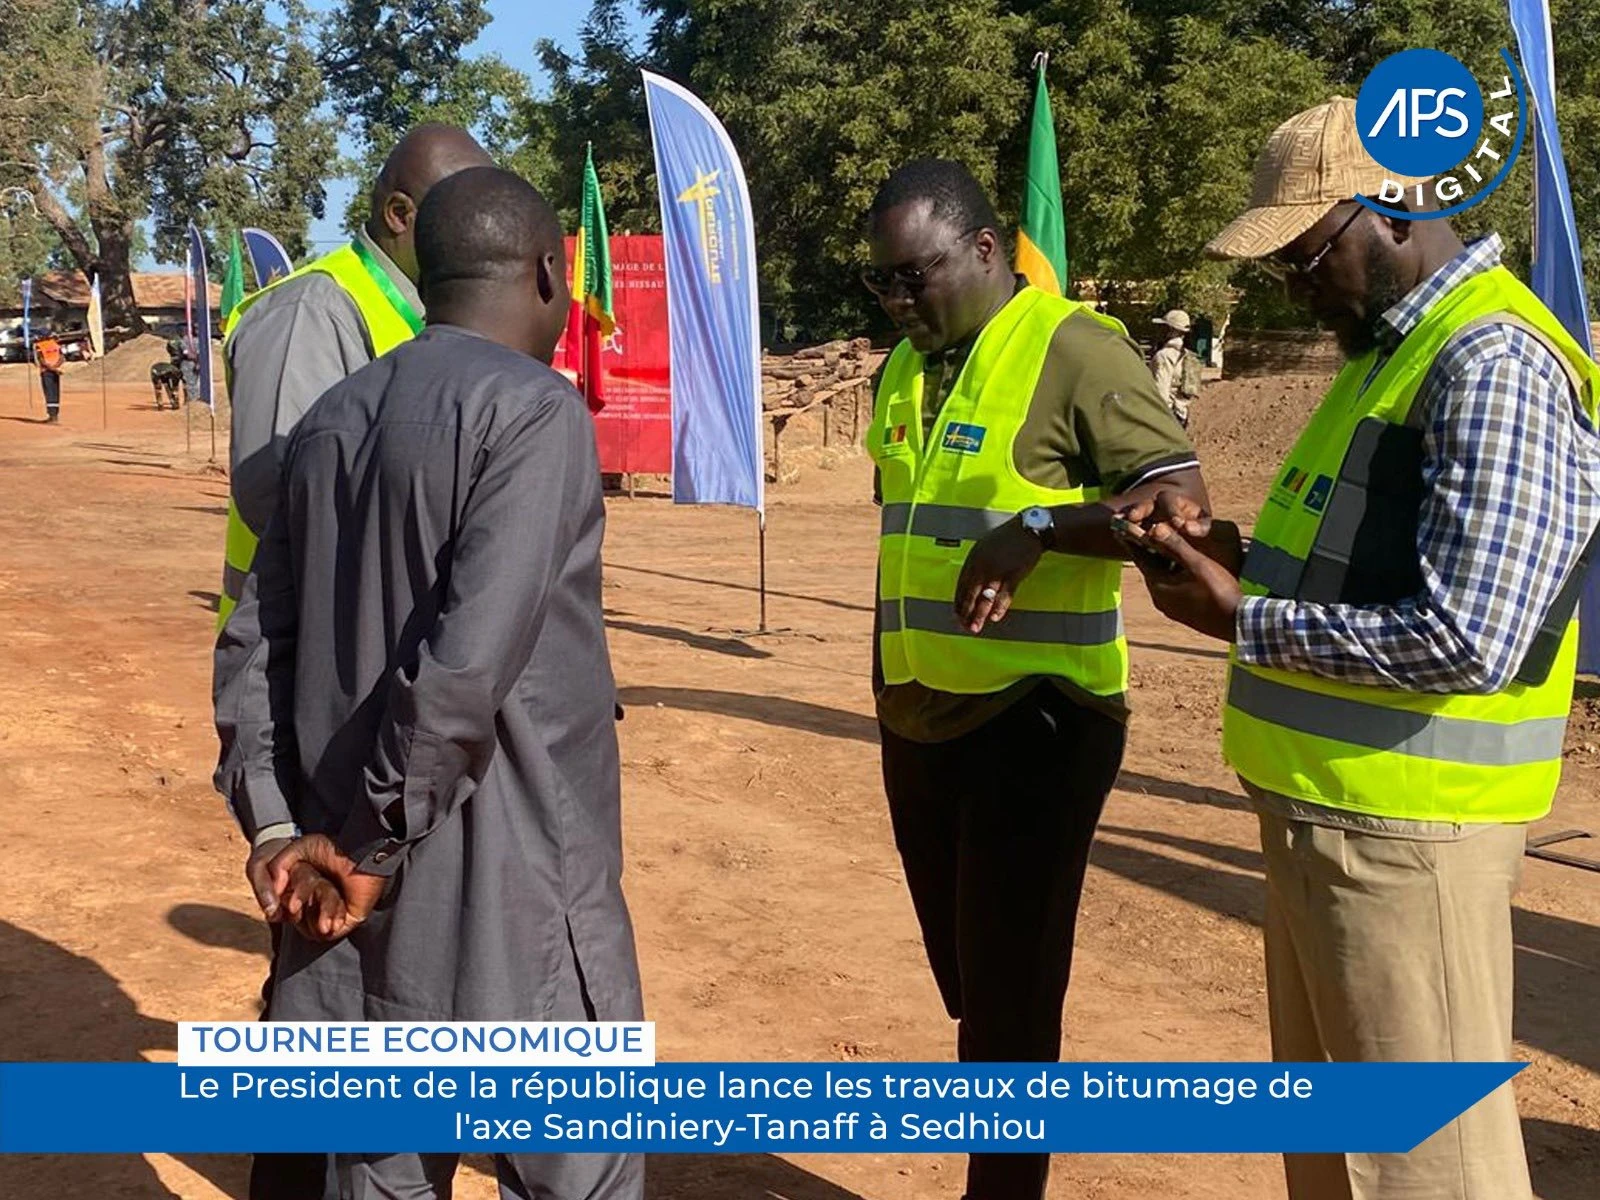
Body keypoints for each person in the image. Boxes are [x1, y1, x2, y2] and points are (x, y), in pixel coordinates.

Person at [1119, 97, 1600, 1200]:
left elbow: (1468, 638)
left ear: (1392, 212)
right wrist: (1233, 563)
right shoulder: (1388, 355)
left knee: (1429, 1173)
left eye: (1303, 254)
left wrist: (1242, 618)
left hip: (1408, 842)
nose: (1292, 286)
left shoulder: (1489, 361)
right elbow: (1358, 571)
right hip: (1331, 822)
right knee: (1342, 1160)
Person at [214, 165, 643, 1200]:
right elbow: (463, 668)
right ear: (550, 273)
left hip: (345, 890)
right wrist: (367, 844)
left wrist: (277, 829)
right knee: (573, 1164)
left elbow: (252, 645)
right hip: (509, 875)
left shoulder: (330, 419)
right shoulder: (535, 414)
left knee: (381, 1166)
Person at [862, 159, 1213, 1200]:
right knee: (971, 983)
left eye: (915, 276)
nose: (898, 300)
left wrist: (1042, 527)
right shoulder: (906, 366)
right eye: (881, 282)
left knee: (1012, 992)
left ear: (984, 249)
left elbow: (1182, 506)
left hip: (1038, 720)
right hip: (919, 712)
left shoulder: (1073, 348)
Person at [212, 121, 491, 1200]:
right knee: (319, 971)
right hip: (313, 699)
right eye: (455, 211)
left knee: (388, 984)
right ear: (398, 214)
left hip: (394, 695)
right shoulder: (314, 312)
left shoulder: (429, 319)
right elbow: (277, 497)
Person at [1150, 308, 1200, 427]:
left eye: (1163, 327)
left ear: (1171, 330)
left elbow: (1161, 390)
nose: (1159, 331)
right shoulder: (1186, 354)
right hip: (1181, 413)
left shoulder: (1164, 355)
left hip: (1167, 415)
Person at [33, 329, 64, 422]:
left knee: (49, 393)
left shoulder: (39, 345)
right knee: (55, 393)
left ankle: (52, 416)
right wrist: (56, 367)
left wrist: (52, 368)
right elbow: (62, 358)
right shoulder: (55, 344)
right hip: (56, 371)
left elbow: (41, 360)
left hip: (46, 371)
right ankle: (55, 415)